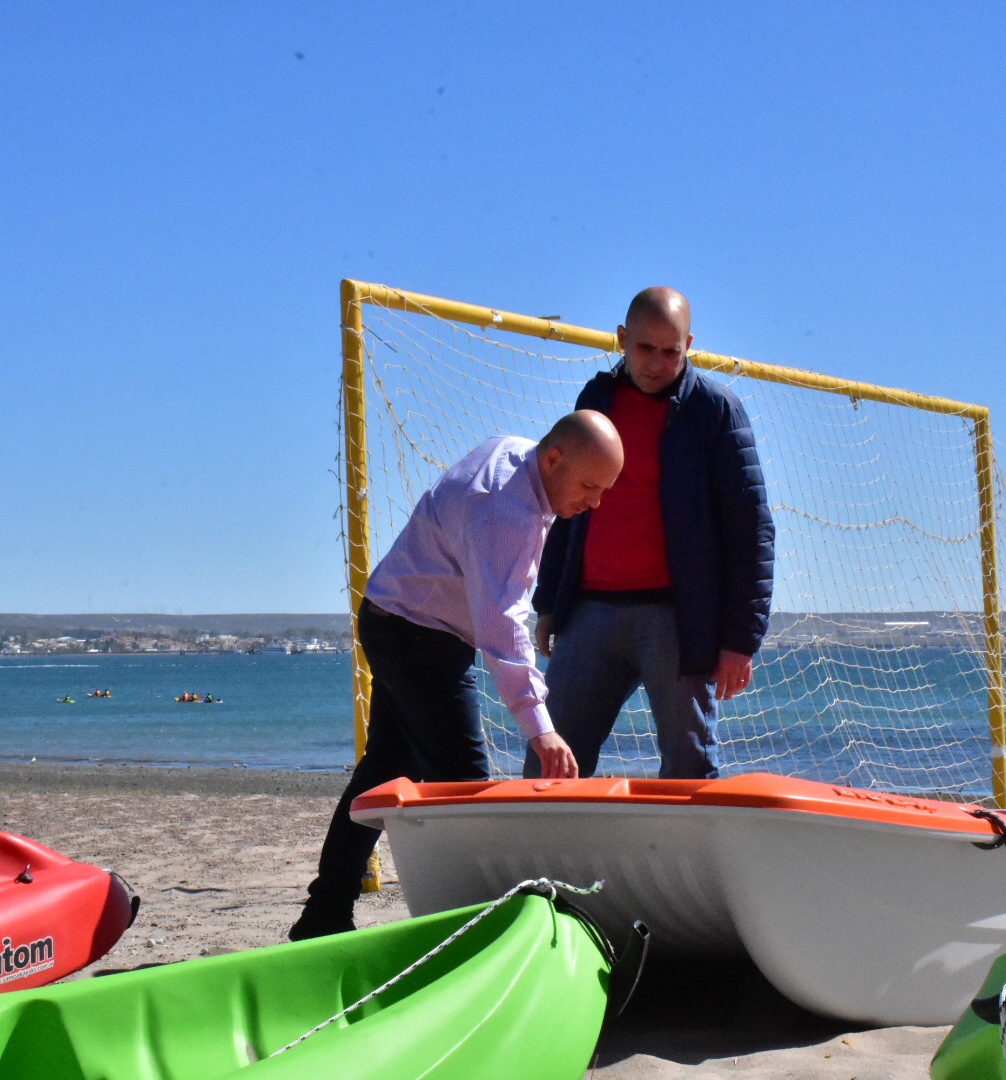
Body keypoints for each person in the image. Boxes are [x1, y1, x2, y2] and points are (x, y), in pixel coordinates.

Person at [288, 409, 625, 941]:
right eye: (589, 486)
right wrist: (541, 727)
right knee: (464, 784)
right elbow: (502, 625)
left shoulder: (520, 455)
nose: (595, 503)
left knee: (383, 771)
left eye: (605, 490)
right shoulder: (504, 513)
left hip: (395, 617)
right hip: (417, 632)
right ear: (554, 458)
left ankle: (323, 913)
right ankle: (475, 931)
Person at [522, 287, 774, 781]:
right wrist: (549, 601)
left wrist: (740, 641)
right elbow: (562, 503)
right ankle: (546, 859)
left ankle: (687, 862)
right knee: (547, 765)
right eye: (644, 348)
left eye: (670, 351)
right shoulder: (595, 399)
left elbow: (752, 531)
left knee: (688, 771)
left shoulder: (716, 410)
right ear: (621, 339)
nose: (657, 363)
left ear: (688, 346)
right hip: (589, 613)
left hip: (678, 622)